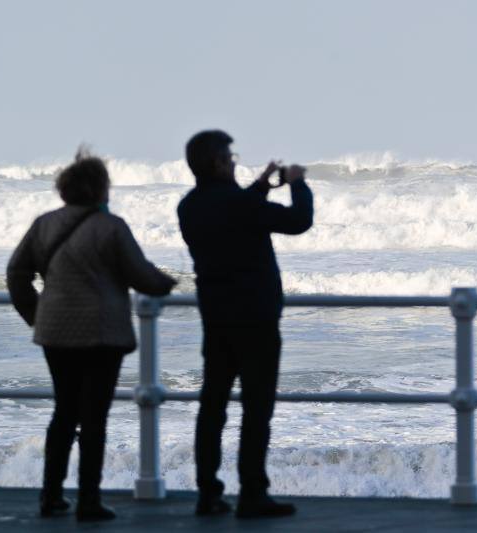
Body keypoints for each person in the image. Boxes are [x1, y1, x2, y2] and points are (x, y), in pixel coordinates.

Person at [6, 148, 177, 522]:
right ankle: (88, 500)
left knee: (64, 412)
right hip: (101, 334)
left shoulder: (43, 224)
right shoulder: (111, 227)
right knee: (94, 417)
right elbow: (141, 275)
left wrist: (35, 315)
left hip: (55, 333)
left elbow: (17, 273)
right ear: (100, 188)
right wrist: (169, 283)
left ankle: (50, 497)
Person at [177, 130, 313, 519]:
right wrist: (298, 184)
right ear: (219, 162)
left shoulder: (190, 207)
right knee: (256, 410)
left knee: (212, 408)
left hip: (216, 320)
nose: (234, 161)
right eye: (230, 156)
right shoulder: (239, 205)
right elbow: (298, 221)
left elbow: (234, 212)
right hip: (256, 319)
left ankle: (208, 493)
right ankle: (252, 493)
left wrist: (259, 185)